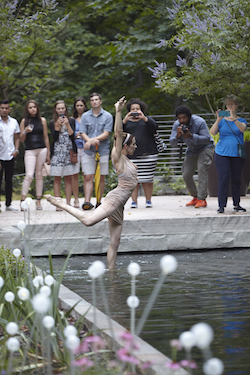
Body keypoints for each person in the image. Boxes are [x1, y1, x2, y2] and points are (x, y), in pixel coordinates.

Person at [45, 97, 138, 269]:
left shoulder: (130, 161)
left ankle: (111, 274)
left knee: (115, 242)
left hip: (120, 205)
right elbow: (118, 134)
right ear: (125, 146)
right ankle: (59, 203)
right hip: (115, 199)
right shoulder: (118, 159)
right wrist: (118, 112)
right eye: (133, 144)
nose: (136, 147)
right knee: (88, 221)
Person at [169, 105, 214, 208]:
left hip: (205, 147)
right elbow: (172, 143)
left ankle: (202, 199)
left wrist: (191, 136)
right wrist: (177, 136)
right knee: (186, 174)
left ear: (189, 116)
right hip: (192, 149)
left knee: (202, 169)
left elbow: (207, 139)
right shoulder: (177, 125)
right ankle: (195, 197)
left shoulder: (199, 122)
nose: (182, 120)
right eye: (179, 118)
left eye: (184, 117)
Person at [210, 95, 247, 213]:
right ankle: (221, 205)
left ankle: (237, 204)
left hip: (237, 154)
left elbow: (242, 129)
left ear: (236, 106)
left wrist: (233, 118)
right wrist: (218, 119)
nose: (230, 107)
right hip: (222, 153)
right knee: (223, 178)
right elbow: (213, 132)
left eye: (232, 104)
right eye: (228, 104)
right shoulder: (222, 121)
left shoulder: (241, 120)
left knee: (236, 178)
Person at [79, 92, 113, 210]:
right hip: (89, 151)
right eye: (92, 100)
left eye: (96, 99)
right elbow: (82, 132)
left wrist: (91, 140)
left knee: (101, 176)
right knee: (88, 176)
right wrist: (89, 141)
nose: (94, 102)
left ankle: (99, 200)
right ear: (90, 102)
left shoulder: (108, 116)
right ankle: (87, 201)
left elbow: (106, 133)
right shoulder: (85, 116)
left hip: (102, 150)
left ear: (100, 101)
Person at [123, 98, 158, 208]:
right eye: (133, 109)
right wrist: (124, 120)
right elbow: (118, 132)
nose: (135, 111)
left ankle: (148, 200)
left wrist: (144, 118)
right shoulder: (126, 122)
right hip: (131, 155)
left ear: (141, 110)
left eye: (137, 109)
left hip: (148, 154)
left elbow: (155, 128)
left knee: (148, 179)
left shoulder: (147, 120)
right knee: (133, 179)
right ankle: (134, 201)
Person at [19, 100, 50, 210]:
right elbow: (21, 139)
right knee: (29, 175)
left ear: (37, 108)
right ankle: (22, 201)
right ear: (27, 109)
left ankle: (38, 201)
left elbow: (46, 137)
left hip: (42, 149)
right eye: (30, 107)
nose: (33, 109)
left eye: (34, 107)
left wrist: (48, 153)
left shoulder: (42, 120)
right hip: (30, 151)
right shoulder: (24, 121)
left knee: (39, 175)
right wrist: (25, 132)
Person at [49, 100, 78, 209]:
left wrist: (67, 124)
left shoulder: (71, 120)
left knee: (68, 178)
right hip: (57, 153)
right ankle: (58, 203)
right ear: (55, 110)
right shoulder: (52, 122)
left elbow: (72, 136)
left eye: (62, 108)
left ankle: (68, 203)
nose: (61, 110)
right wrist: (57, 126)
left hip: (69, 152)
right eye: (59, 108)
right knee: (57, 178)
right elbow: (54, 138)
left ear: (65, 109)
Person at [0, 99, 20, 212]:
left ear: (9, 109)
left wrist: (16, 149)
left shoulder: (14, 122)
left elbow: (17, 137)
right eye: (2, 108)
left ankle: (8, 204)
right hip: (0, 155)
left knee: (9, 180)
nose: (4, 110)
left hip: (10, 155)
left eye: (6, 108)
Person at [71, 97, 88, 208]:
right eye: (77, 105)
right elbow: (69, 133)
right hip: (75, 149)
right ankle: (76, 199)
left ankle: (87, 199)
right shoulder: (72, 119)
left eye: (81, 105)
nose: (79, 108)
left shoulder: (89, 118)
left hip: (87, 149)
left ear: (85, 106)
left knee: (87, 175)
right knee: (75, 175)